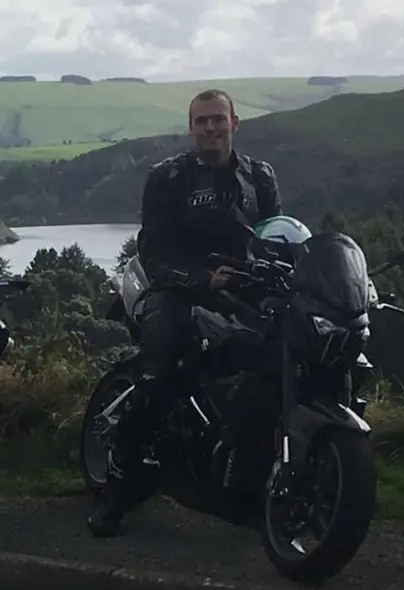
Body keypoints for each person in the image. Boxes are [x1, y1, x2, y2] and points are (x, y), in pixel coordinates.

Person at [87, 88, 283, 538]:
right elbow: (152, 248)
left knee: (275, 360)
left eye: (218, 119)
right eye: (202, 121)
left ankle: (246, 483)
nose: (211, 128)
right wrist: (200, 280)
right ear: (191, 128)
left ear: (235, 122)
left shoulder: (260, 177)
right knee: (164, 366)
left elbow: (274, 237)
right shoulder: (169, 176)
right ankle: (117, 488)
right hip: (174, 289)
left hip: (242, 292)